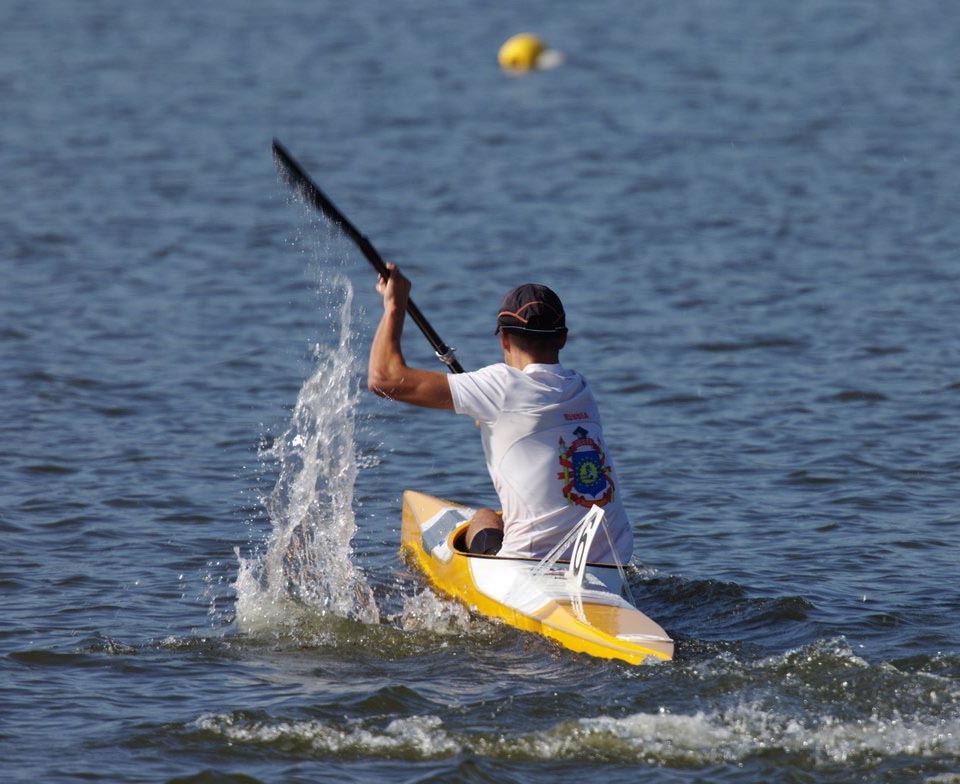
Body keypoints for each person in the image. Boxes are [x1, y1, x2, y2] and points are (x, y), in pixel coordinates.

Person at [367, 263, 633, 564]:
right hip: (613, 561)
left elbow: (383, 380)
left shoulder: (501, 387)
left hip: (528, 567)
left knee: (484, 518)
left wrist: (394, 306)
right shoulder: (581, 388)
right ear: (563, 339)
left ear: (504, 338)